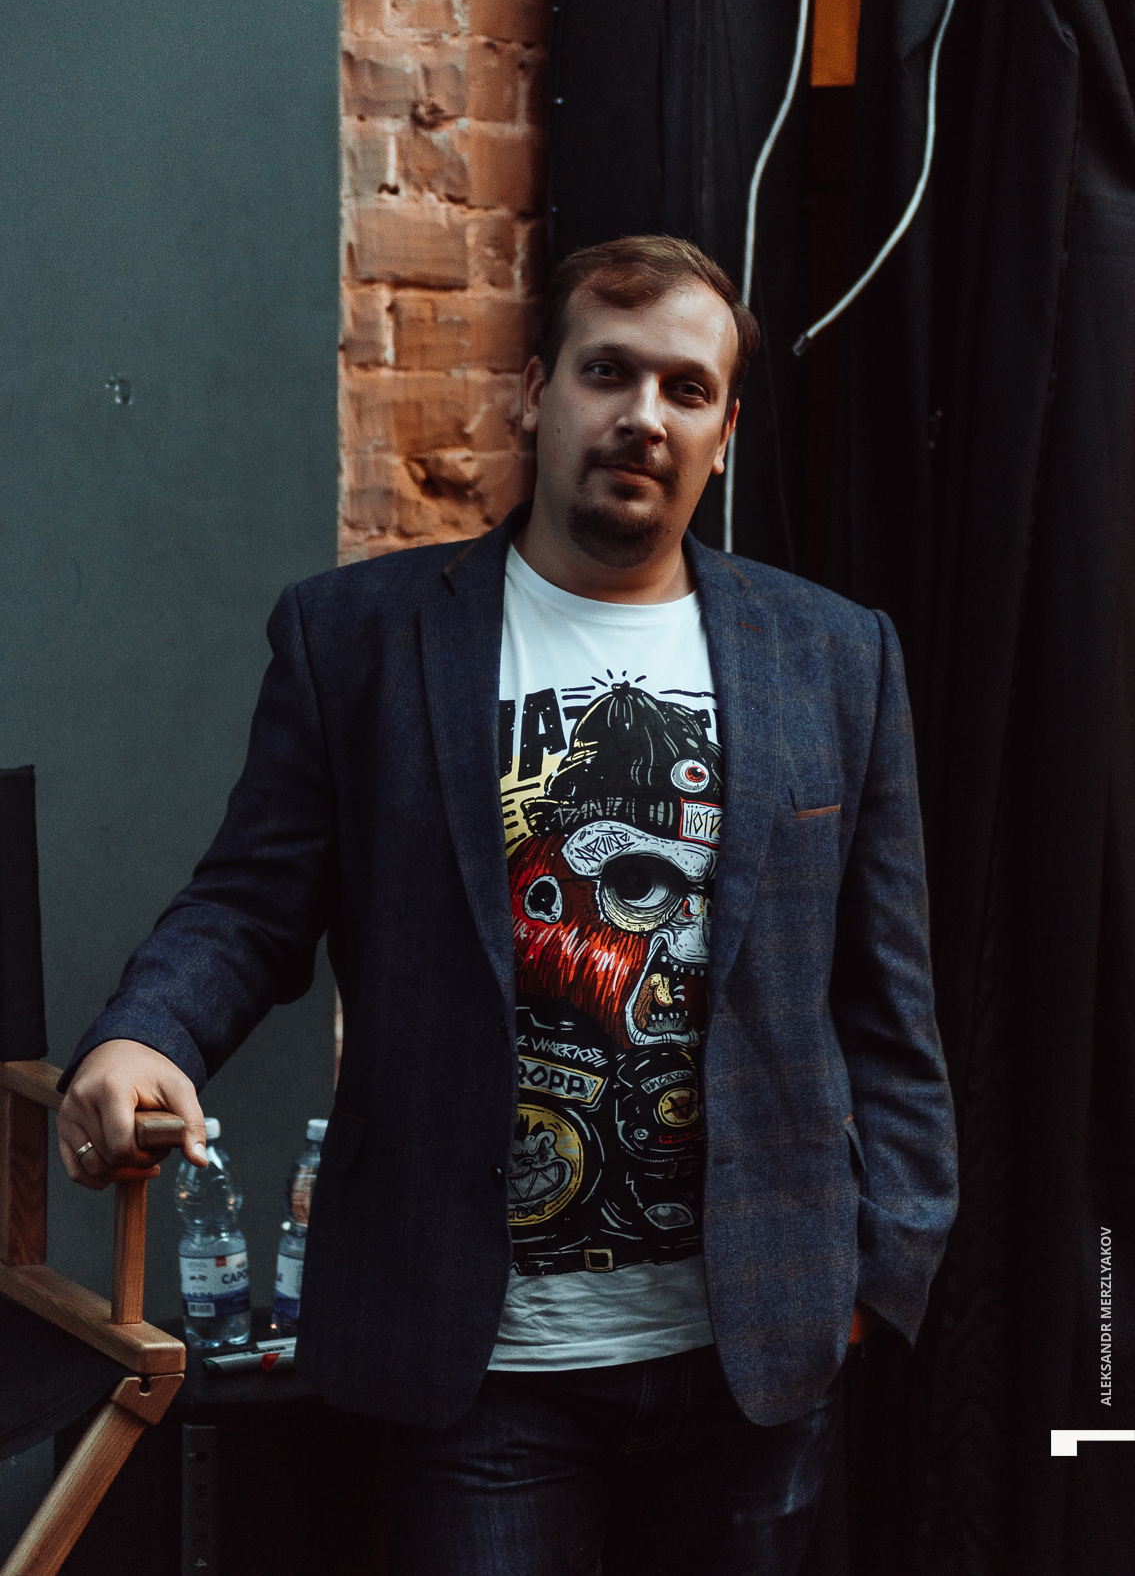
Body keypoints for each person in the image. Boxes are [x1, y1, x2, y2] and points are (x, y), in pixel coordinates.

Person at [56, 236, 958, 1575]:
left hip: (755, 1350)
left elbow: (890, 1001)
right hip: (476, 1366)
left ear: (723, 430)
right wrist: (147, 1035)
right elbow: (248, 904)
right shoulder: (357, 638)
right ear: (537, 392)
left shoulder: (834, 654)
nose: (643, 415)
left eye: (686, 389)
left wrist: (879, 1273)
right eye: (608, 372)